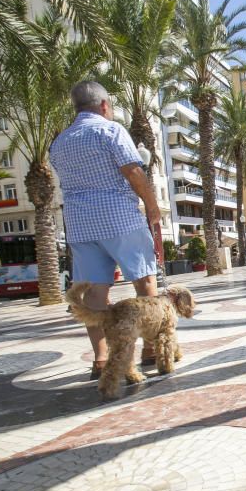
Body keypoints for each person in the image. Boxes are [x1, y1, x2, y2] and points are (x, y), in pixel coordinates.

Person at [49, 81, 162, 380]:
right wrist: (151, 206)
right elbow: (133, 171)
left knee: (94, 294)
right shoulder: (110, 131)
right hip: (118, 218)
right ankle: (151, 349)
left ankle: (100, 360)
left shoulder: (59, 142)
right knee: (144, 281)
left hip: (79, 224)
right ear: (103, 106)